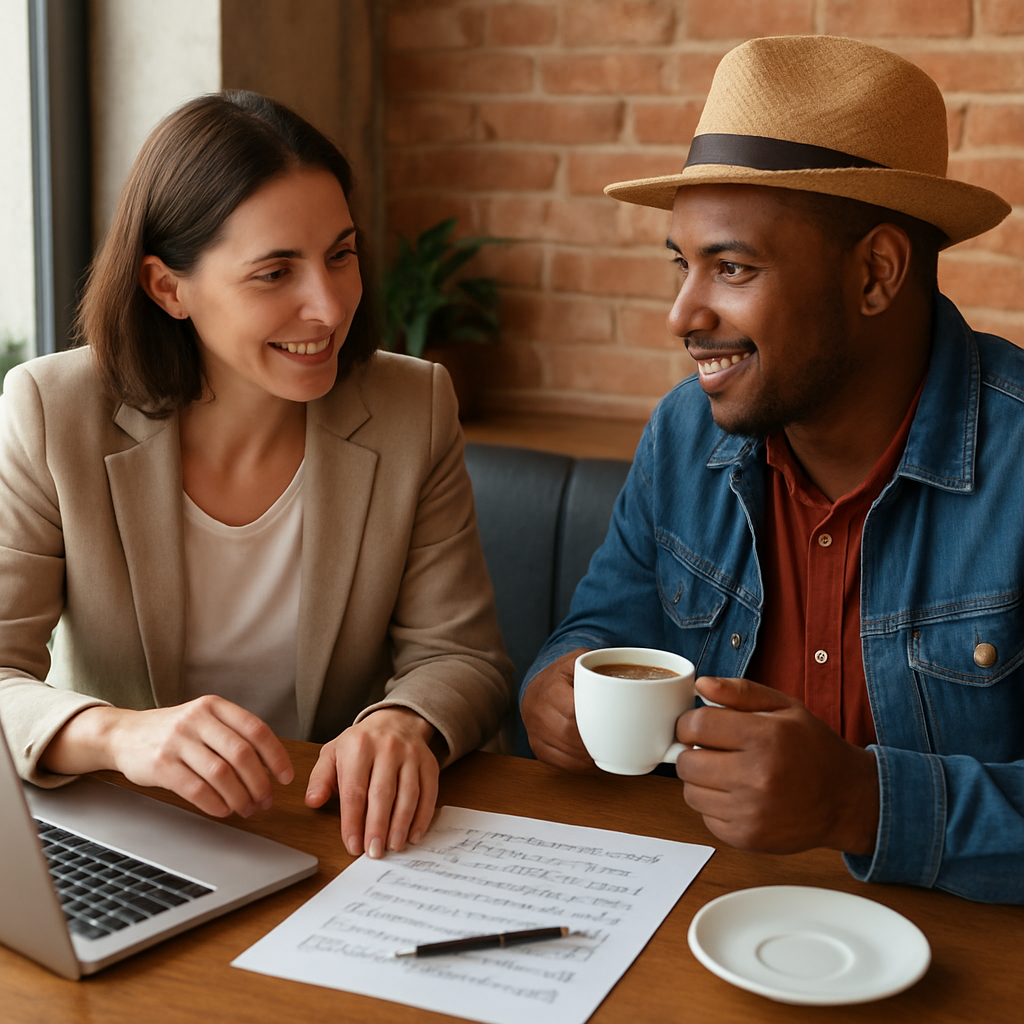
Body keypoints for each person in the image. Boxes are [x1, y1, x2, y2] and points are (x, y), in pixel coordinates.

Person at [520, 35, 1024, 904]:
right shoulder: (684, 435)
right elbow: (602, 630)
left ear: (875, 274)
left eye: (734, 267)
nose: (683, 314)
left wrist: (861, 802)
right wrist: (555, 691)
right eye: (684, 264)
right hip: (703, 929)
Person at [0, 91, 513, 861]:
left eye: (340, 255)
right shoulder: (52, 410)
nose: (329, 305)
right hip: (134, 834)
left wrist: (402, 723)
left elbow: (461, 656)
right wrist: (118, 734)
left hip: (331, 836)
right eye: (275, 272)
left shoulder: (415, 405)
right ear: (167, 288)